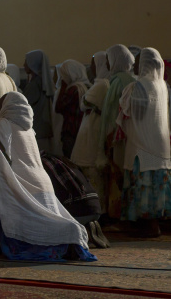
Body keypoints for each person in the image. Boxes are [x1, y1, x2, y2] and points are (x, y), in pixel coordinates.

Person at [0, 92, 97, 262]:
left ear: (9, 106)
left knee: (28, 227)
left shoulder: (5, 124)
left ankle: (56, 240)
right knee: (46, 222)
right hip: (43, 183)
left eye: (1, 102)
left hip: (23, 184)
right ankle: (67, 238)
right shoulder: (29, 129)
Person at [117, 48, 171, 237]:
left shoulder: (140, 85)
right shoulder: (163, 86)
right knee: (158, 185)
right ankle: (155, 223)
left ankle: (149, 226)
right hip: (160, 146)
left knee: (143, 185)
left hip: (142, 143)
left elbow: (136, 114)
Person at [98, 44, 135, 219]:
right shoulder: (130, 79)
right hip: (129, 137)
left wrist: (108, 137)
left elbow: (112, 113)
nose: (106, 63)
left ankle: (117, 215)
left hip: (117, 138)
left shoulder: (118, 81)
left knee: (116, 174)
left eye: (108, 59)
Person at [71, 52, 110, 215]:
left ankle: (96, 211)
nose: (91, 67)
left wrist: (87, 103)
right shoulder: (100, 84)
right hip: (90, 127)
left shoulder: (101, 84)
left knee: (92, 174)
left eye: (94, 64)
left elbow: (85, 102)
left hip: (92, 131)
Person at [55, 60, 91, 158]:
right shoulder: (85, 86)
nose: (62, 78)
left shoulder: (73, 89)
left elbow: (58, 107)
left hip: (71, 131)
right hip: (81, 130)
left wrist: (63, 87)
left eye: (64, 75)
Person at [22, 50, 54, 152]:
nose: (24, 65)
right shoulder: (41, 82)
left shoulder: (35, 84)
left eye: (26, 61)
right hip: (43, 129)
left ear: (33, 64)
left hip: (38, 130)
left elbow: (25, 104)